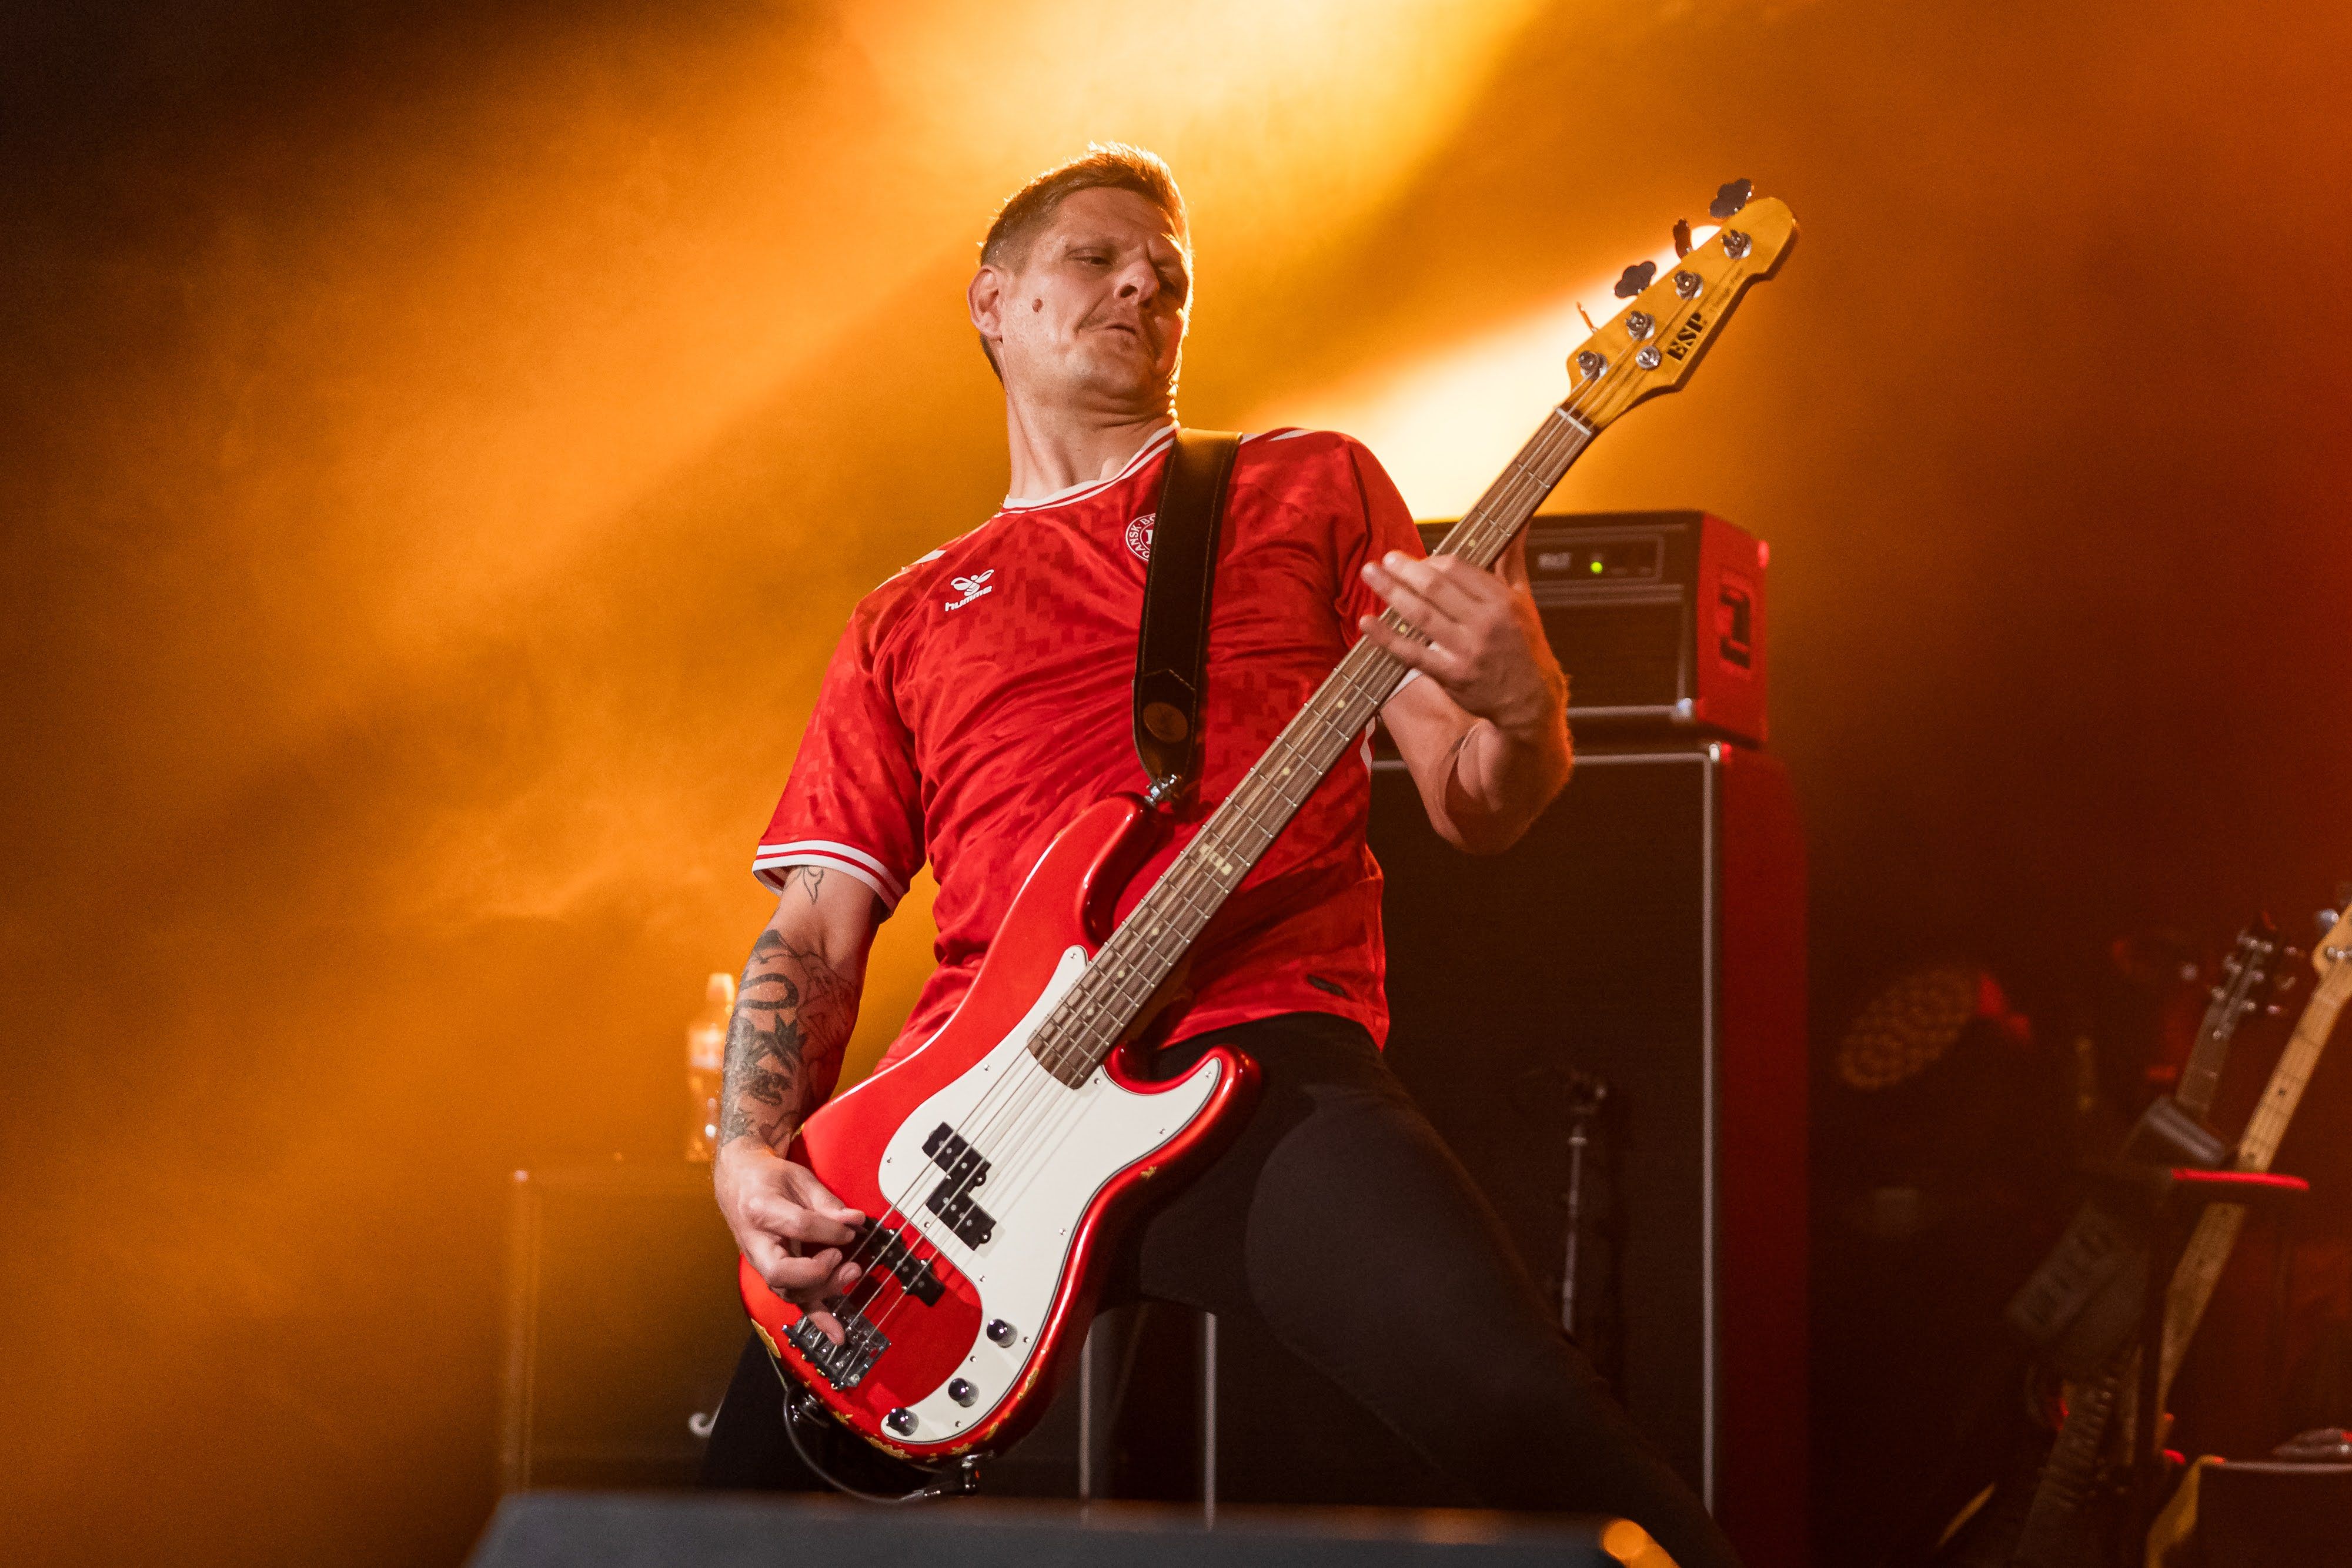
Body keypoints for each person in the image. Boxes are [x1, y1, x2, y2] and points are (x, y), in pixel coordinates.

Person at [704, 142, 1739, 1567]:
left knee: (1534, 1425)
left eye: (1170, 277)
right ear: (992, 302)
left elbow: (1477, 801)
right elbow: (817, 930)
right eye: (1096, 258)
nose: (1143, 286)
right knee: (717, 1521)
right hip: (954, 1133)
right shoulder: (904, 617)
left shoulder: (1303, 487)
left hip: (1256, 1055)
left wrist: (1523, 704)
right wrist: (748, 1148)